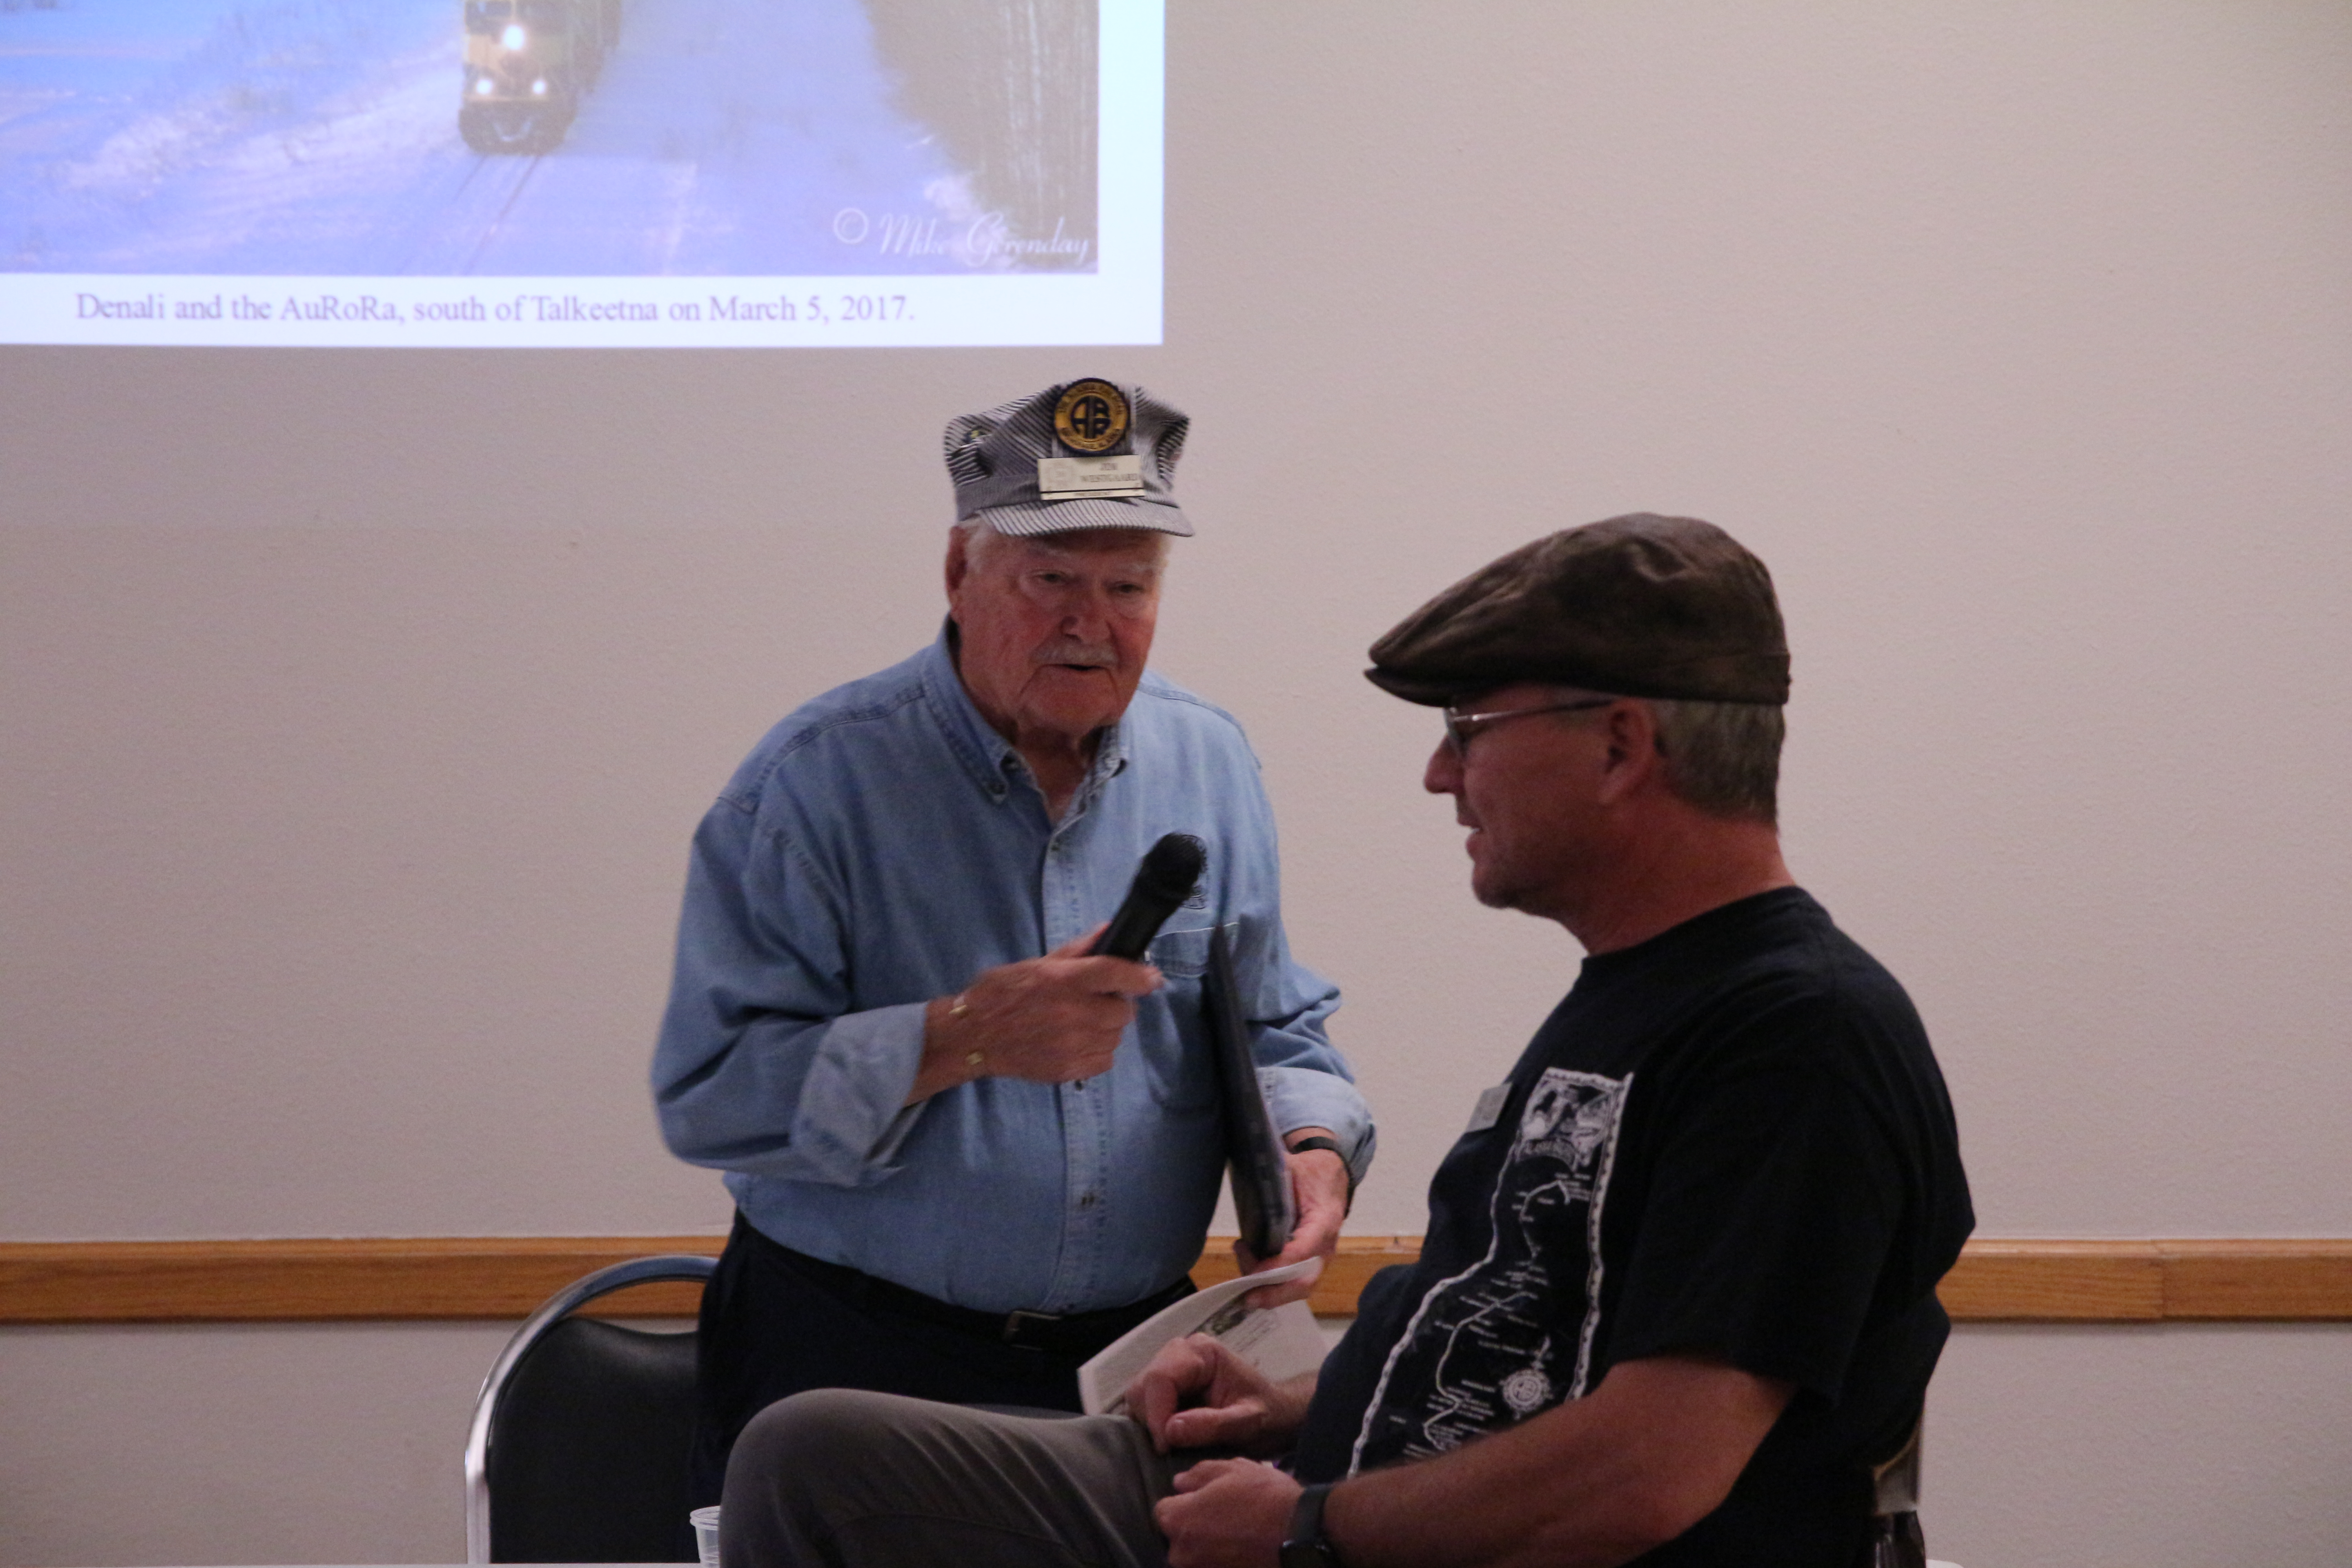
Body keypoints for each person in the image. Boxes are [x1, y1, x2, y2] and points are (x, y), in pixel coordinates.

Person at [715, 513, 1975, 1568]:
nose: (1440, 774)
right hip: (1325, 1478)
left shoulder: (1799, 1042)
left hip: (1359, 1533)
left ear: (1619, 746)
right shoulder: (1644, 999)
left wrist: (1305, 1530)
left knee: (811, 1471)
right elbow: (1531, 1346)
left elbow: (1649, 1470)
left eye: (1471, 729)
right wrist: (1285, 1408)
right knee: (811, 1453)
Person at [651, 378, 1375, 1504]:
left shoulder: (1209, 761)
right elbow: (713, 1096)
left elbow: (1276, 1029)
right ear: (960, 571)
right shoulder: (816, 783)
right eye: (1051, 580)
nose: (1092, 623)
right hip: (855, 1354)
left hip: (1134, 1360)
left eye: (1128, 586)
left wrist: (1315, 1148)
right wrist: (960, 1039)